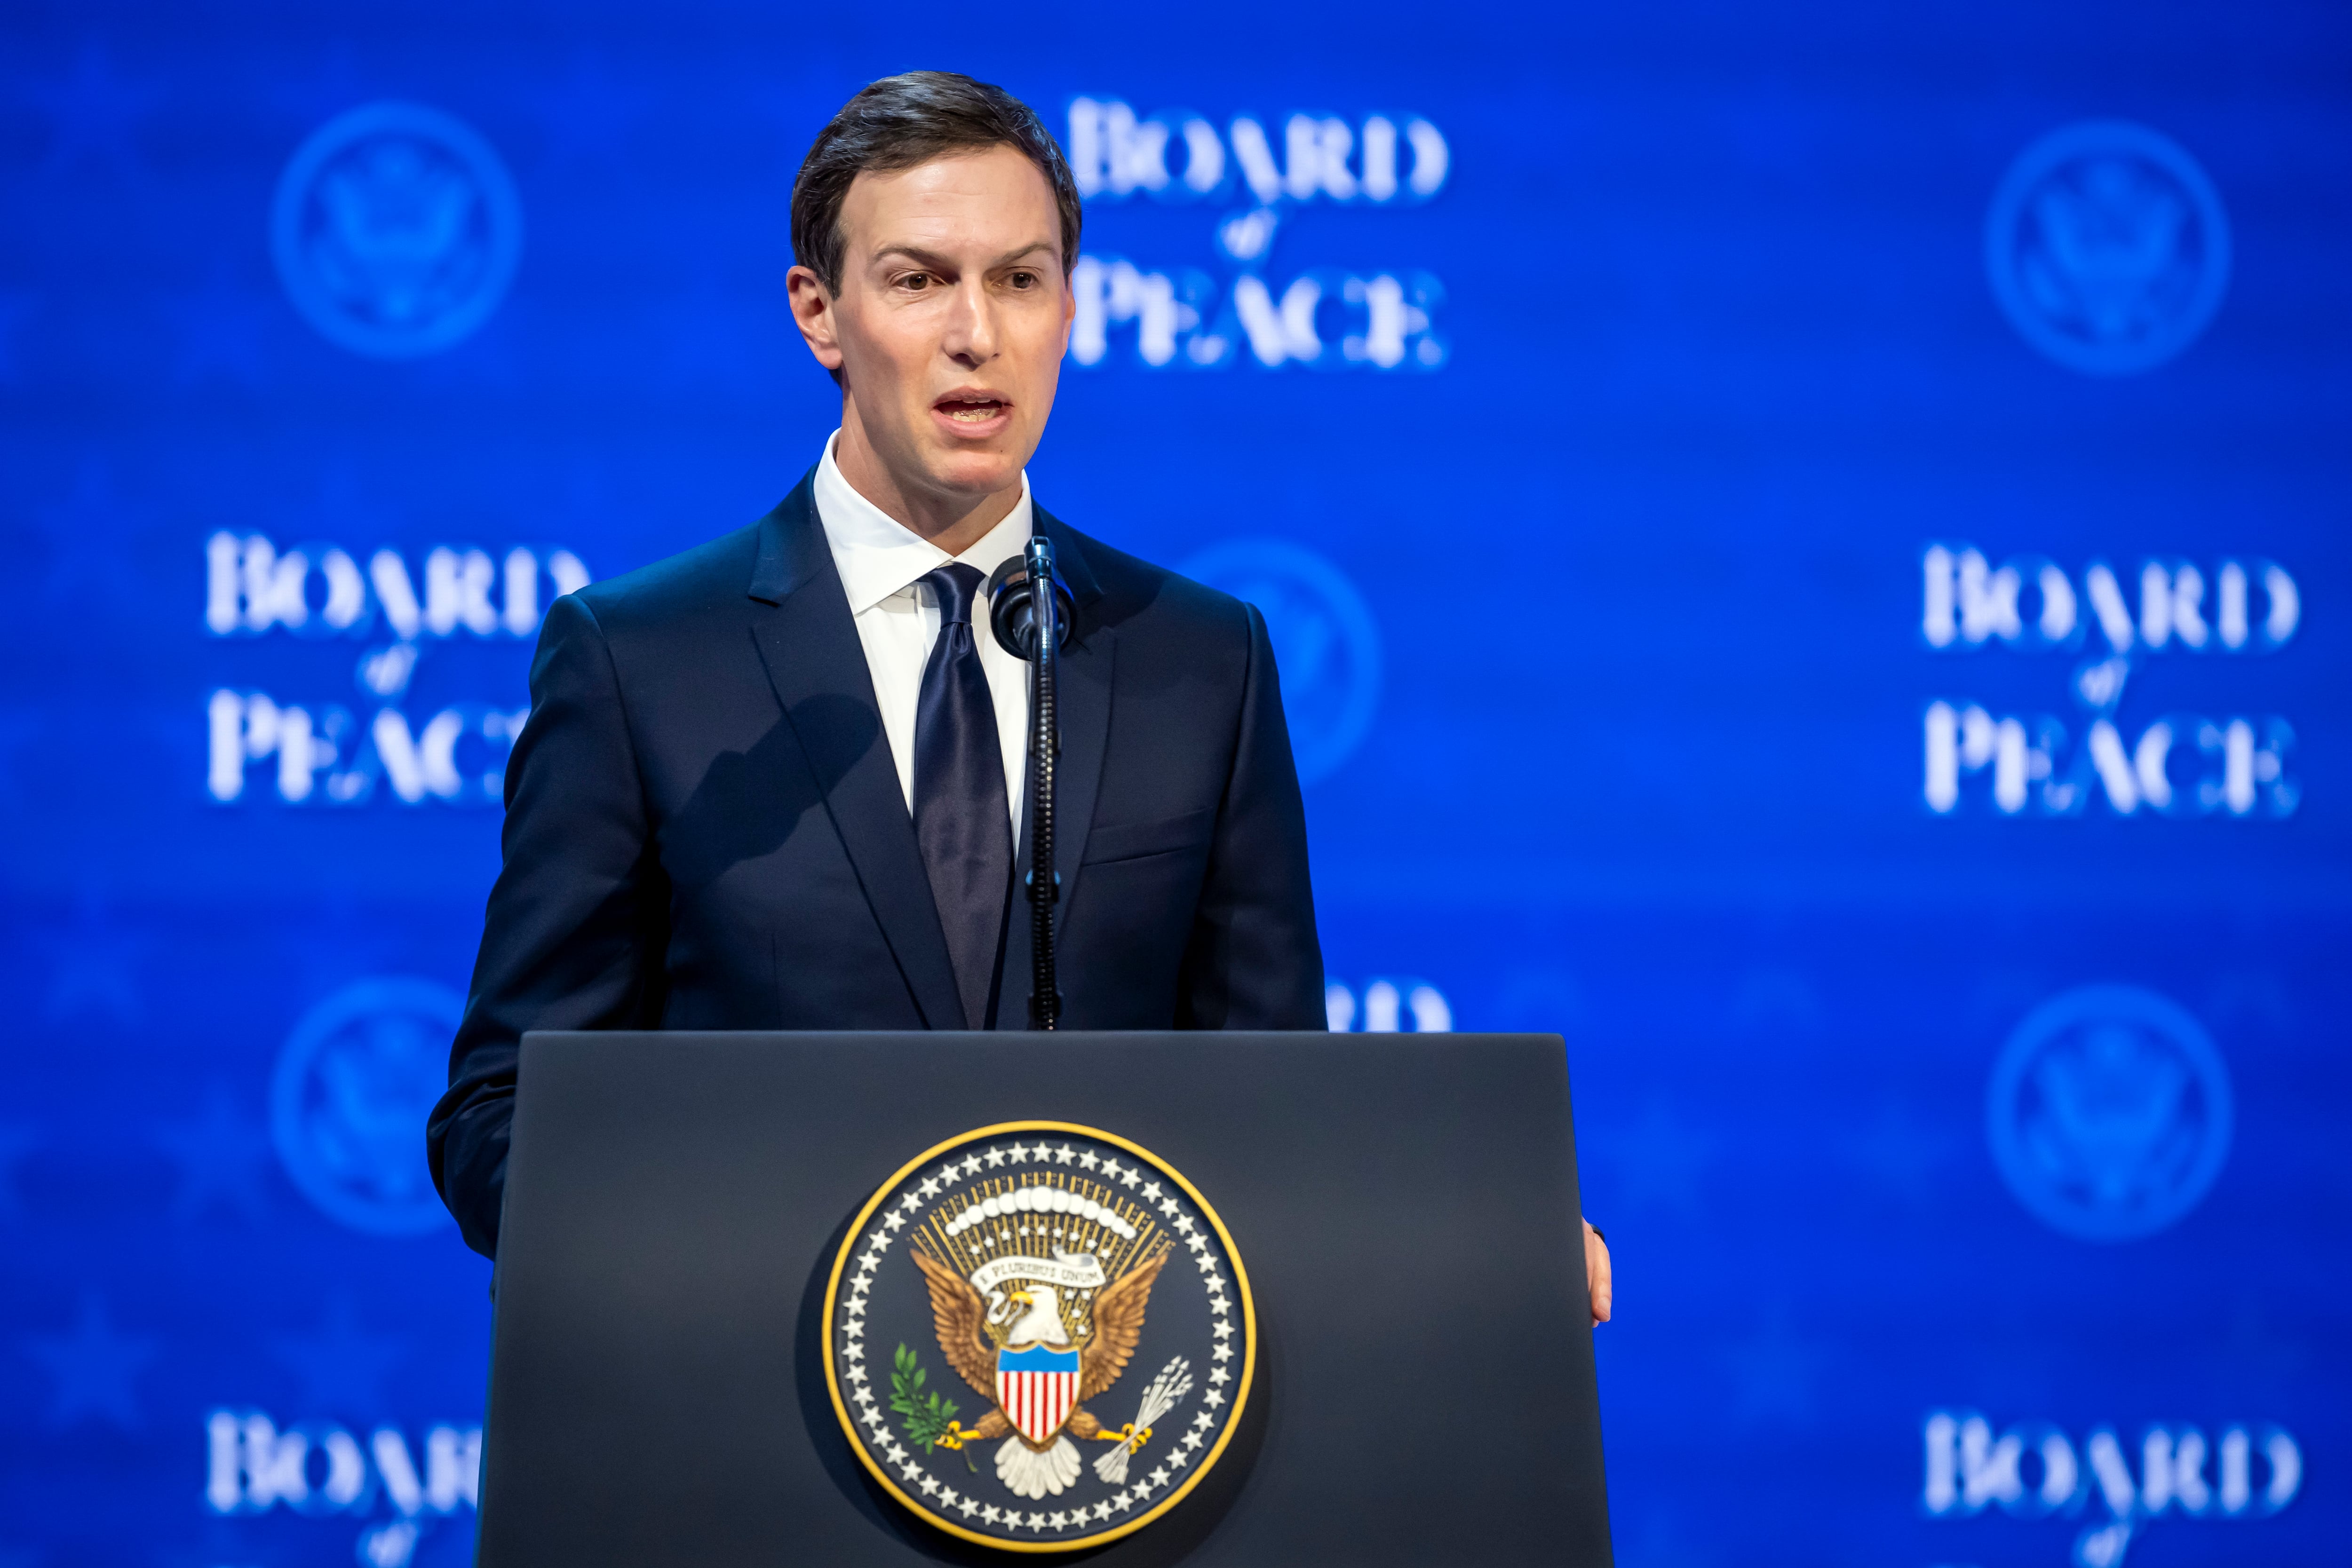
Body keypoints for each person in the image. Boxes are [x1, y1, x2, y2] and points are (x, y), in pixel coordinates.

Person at [424, 70, 1611, 1324]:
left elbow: (1274, 1105)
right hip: (755, 1439)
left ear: (1070, 309)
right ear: (820, 314)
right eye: (920, 278)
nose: (976, 333)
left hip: (1107, 1440)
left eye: (1020, 279)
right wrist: (729, 1258)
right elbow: (499, 1121)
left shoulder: (1197, 661)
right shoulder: (641, 660)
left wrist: (1474, 1237)